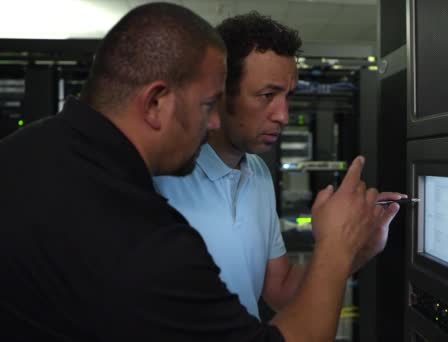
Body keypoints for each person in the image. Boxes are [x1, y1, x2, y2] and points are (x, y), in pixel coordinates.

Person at [0, 3, 395, 342]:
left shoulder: (36, 153)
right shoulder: (139, 216)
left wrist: (353, 248)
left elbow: (278, 289)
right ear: (156, 102)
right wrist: (334, 247)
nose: (209, 122)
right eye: (208, 103)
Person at [154, 11, 404, 319]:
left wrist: (354, 248)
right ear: (218, 92)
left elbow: (281, 289)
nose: (283, 115)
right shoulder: (161, 177)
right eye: (267, 95)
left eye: (288, 96)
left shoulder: (258, 173)